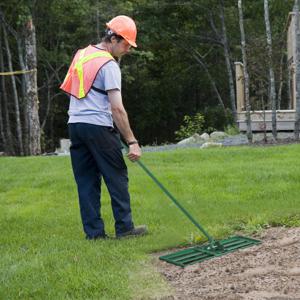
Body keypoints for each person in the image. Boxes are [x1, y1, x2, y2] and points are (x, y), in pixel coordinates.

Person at [60, 15, 147, 240]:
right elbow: (117, 109)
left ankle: (95, 234)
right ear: (114, 38)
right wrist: (132, 141)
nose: (128, 50)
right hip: (98, 127)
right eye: (126, 44)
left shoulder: (82, 54)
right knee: (116, 177)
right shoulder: (109, 65)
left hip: (75, 126)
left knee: (86, 181)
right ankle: (125, 229)